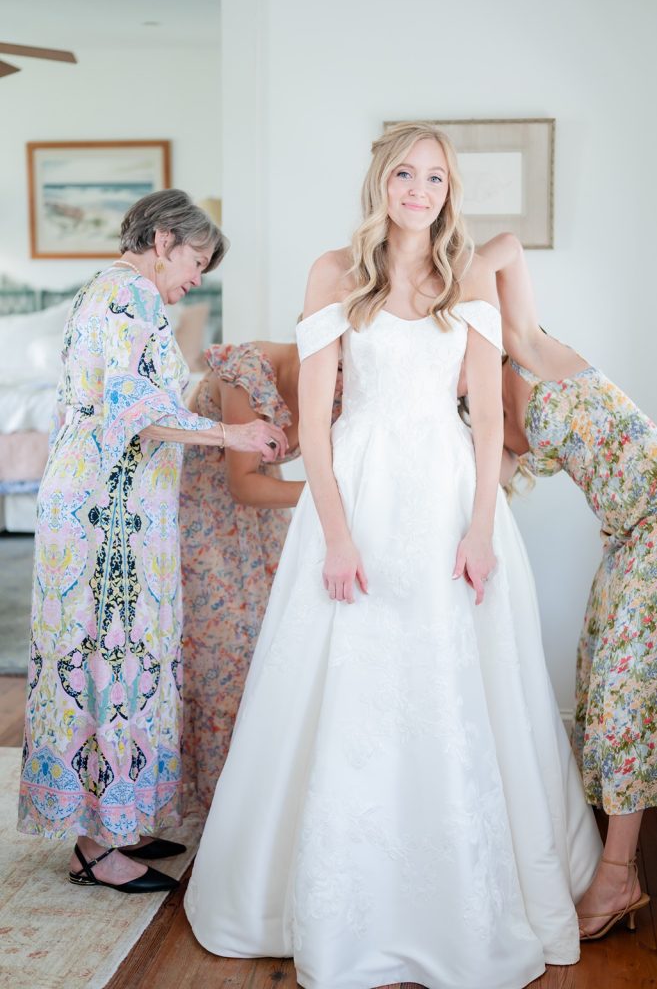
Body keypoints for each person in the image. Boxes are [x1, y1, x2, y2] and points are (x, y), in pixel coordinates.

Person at [183, 124, 602, 988]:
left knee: (457, 683)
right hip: (361, 492)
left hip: (449, 495)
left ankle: (459, 897)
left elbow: (488, 418)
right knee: (350, 684)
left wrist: (482, 527)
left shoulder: (468, 275)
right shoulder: (334, 272)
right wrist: (335, 533)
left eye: (436, 177)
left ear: (451, 190)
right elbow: (321, 420)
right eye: (405, 173)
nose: (420, 189)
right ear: (382, 183)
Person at [17, 189, 287, 895]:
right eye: (196, 259)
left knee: (118, 659)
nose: (198, 276)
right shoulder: (128, 294)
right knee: (106, 662)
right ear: (163, 239)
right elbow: (137, 411)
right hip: (104, 516)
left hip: (111, 509)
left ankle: (115, 823)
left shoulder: (118, 296)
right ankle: (95, 849)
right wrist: (234, 434)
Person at [478, 232, 657, 940]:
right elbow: (490, 495)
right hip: (632, 537)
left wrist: (459, 276)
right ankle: (613, 860)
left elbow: (504, 247)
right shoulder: (489, 415)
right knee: (601, 684)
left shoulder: (528, 348)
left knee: (629, 694)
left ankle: (620, 877)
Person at [179, 340, 342, 812]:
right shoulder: (249, 373)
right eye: (341, 372)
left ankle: (257, 795)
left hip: (266, 519)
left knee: (269, 647)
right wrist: (333, 495)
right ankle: (215, 799)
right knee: (221, 652)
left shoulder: (339, 393)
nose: (344, 388)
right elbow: (243, 481)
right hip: (207, 514)